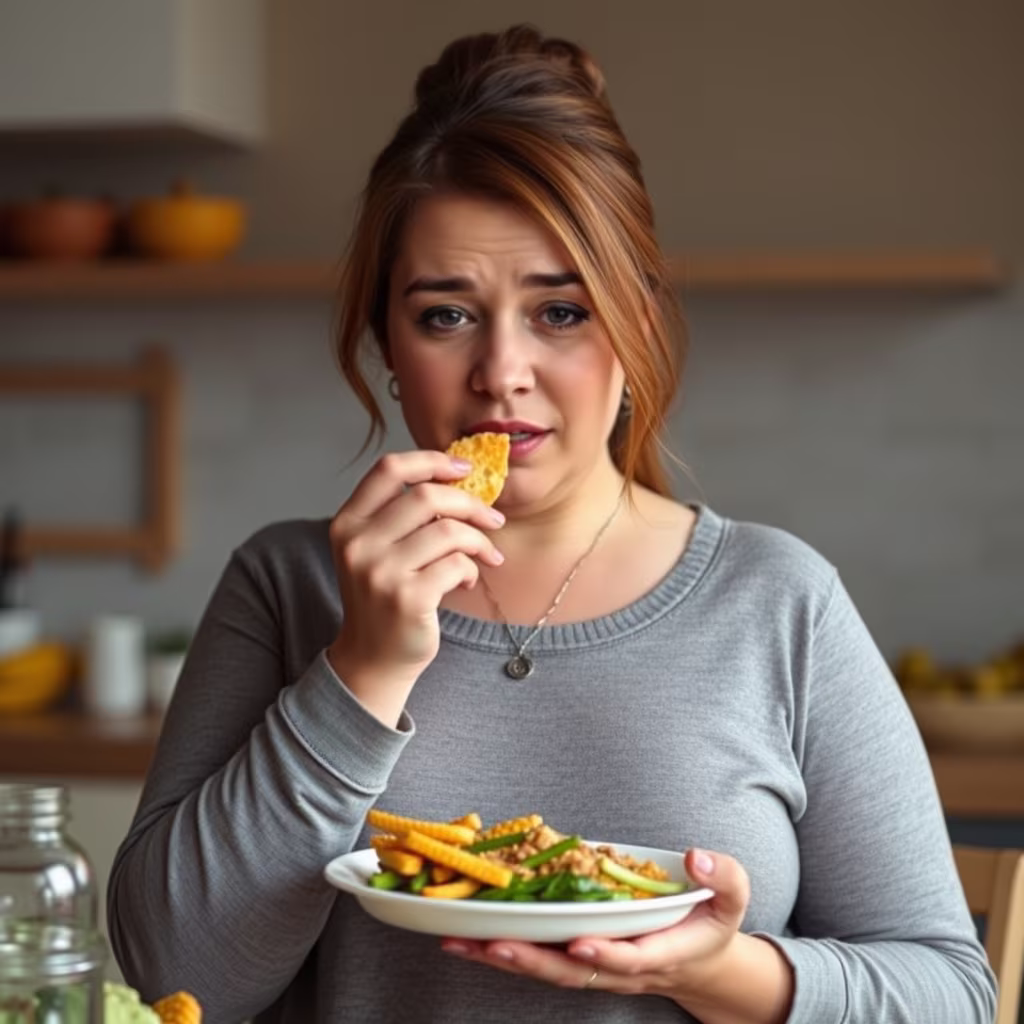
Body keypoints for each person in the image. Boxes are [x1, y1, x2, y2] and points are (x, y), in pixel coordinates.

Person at [107, 24, 997, 1024]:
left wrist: (711, 971)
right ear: (386, 345)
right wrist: (361, 668)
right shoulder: (286, 584)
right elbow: (169, 983)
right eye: (445, 314)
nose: (501, 372)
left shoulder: (778, 601)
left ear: (638, 327)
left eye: (561, 312)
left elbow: (951, 994)